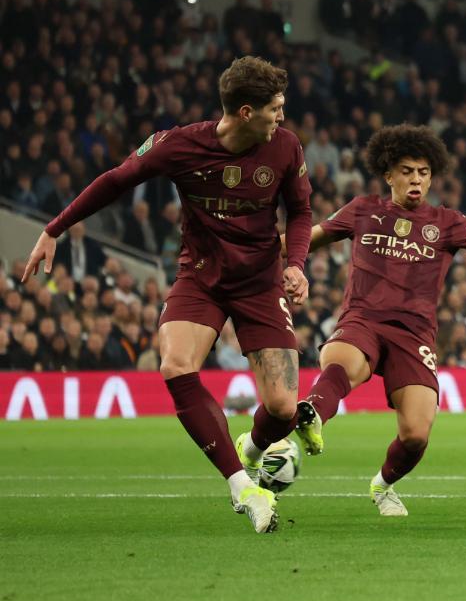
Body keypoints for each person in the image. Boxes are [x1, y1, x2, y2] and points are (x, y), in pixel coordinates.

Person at [22, 56, 313, 533]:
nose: (281, 116)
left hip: (261, 280)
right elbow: (116, 180)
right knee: (176, 364)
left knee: (282, 408)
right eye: (275, 108)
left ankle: (254, 450)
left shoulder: (285, 147)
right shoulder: (179, 145)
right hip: (201, 275)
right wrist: (55, 228)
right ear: (245, 111)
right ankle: (243, 487)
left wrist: (297, 264)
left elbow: (300, 211)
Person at [282, 124, 466, 517]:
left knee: (416, 434)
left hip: (414, 332)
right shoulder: (362, 210)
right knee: (342, 361)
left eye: (423, 172)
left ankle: (383, 485)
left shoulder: (447, 221)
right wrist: (253, 248)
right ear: (389, 175)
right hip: (362, 318)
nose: (416, 179)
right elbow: (304, 239)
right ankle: (312, 412)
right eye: (406, 171)